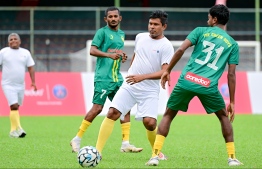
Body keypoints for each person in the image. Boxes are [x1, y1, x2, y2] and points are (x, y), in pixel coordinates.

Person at [145, 4, 243, 167]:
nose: (207, 19)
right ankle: (232, 158)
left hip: (186, 81)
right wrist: (232, 102)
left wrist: (167, 70)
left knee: (169, 114)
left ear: (214, 19)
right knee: (223, 117)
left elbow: (180, 51)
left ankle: (155, 156)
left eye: (209, 17)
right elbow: (231, 74)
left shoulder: (200, 31)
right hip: (208, 85)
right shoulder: (232, 44)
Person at [94, 10, 174, 160]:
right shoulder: (140, 37)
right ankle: (97, 152)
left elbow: (164, 72)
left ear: (164, 26)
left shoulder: (166, 46)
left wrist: (141, 77)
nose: (152, 27)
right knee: (112, 113)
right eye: (150, 24)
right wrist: (132, 72)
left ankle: (157, 153)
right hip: (130, 85)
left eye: (156, 25)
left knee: (149, 123)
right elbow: (137, 55)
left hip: (149, 89)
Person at [70, 6, 142, 153]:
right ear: (106, 19)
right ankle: (76, 139)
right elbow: (92, 50)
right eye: (110, 17)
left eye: (116, 16)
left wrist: (121, 56)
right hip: (103, 78)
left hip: (117, 78)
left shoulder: (121, 34)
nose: (113, 19)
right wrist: (109, 56)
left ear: (120, 18)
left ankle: (125, 143)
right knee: (97, 109)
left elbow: (115, 52)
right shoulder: (102, 32)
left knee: (126, 107)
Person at [0, 33, 37, 138]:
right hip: (8, 84)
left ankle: (12, 131)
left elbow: (31, 68)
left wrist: (33, 82)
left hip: (20, 85)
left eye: (15, 39)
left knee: (16, 108)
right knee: (14, 105)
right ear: (8, 42)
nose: (13, 41)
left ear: (19, 41)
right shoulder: (3, 52)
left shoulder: (25, 53)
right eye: (10, 39)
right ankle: (19, 129)